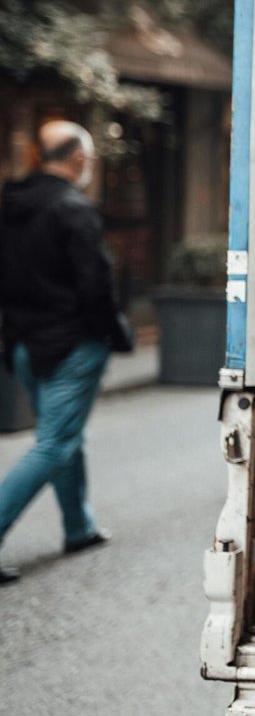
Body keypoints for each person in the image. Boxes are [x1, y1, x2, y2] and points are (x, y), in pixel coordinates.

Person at [0, 120, 129, 584]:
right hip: (72, 345)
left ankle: (79, 527)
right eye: (90, 160)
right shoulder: (74, 209)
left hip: (24, 346)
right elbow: (97, 286)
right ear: (76, 159)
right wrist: (115, 334)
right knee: (54, 443)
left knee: (61, 437)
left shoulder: (9, 206)